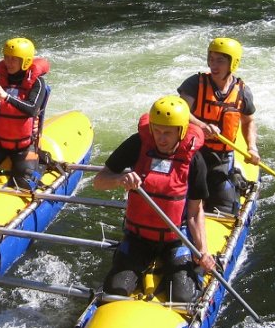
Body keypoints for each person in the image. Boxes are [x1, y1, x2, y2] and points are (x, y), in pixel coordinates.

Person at [93, 95, 216, 303]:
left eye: (168, 132)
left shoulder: (193, 159)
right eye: (157, 131)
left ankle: (192, 276)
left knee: (182, 296)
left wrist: (202, 250)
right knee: (114, 290)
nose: (161, 138)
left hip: (175, 238)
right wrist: (119, 179)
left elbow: (195, 212)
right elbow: (99, 181)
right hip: (138, 237)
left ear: (182, 131)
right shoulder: (138, 144)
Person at [177, 36, 260, 214]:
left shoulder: (242, 92)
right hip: (193, 154)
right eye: (211, 59)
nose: (213, 65)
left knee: (226, 209)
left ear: (233, 63)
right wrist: (201, 125)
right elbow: (181, 111)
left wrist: (252, 148)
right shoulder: (194, 84)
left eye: (220, 61)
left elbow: (249, 120)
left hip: (222, 159)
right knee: (184, 202)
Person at [0, 37, 50, 188]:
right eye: (6, 57)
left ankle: (41, 163)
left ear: (25, 61)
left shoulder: (37, 82)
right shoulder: (2, 79)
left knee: (24, 184)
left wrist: (7, 97)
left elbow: (32, 109)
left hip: (23, 145)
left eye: (14, 59)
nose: (9, 62)